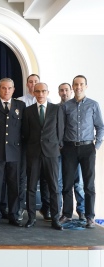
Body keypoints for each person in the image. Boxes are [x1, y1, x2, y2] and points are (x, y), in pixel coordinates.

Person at [61, 75, 104, 228]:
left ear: (86, 86)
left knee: (89, 185)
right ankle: (66, 214)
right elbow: (61, 128)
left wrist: (96, 146)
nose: (78, 87)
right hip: (69, 148)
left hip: (87, 148)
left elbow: (100, 126)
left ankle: (90, 216)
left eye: (81, 84)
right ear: (72, 87)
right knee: (67, 183)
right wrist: (61, 145)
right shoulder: (66, 106)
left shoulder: (93, 105)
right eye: (76, 84)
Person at [22, 83, 63, 230]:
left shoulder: (56, 109)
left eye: (43, 91)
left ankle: (55, 219)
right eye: (37, 91)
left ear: (48, 92)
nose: (40, 94)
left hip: (51, 153)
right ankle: (31, 218)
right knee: (31, 187)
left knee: (54, 187)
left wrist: (56, 146)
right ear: (33, 92)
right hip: (33, 153)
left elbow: (60, 131)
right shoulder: (28, 111)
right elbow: (25, 133)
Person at [0, 78, 25, 227]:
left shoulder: (20, 106)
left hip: (15, 152)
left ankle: (14, 215)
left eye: (9, 88)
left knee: (14, 185)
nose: (6, 91)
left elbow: (25, 129)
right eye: (3, 88)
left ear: (14, 89)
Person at [57, 82, 85, 220]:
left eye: (66, 90)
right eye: (61, 90)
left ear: (71, 91)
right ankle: (64, 212)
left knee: (78, 182)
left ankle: (82, 211)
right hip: (60, 151)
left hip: (76, 150)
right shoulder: (56, 108)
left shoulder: (78, 107)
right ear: (58, 93)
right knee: (61, 182)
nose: (64, 93)